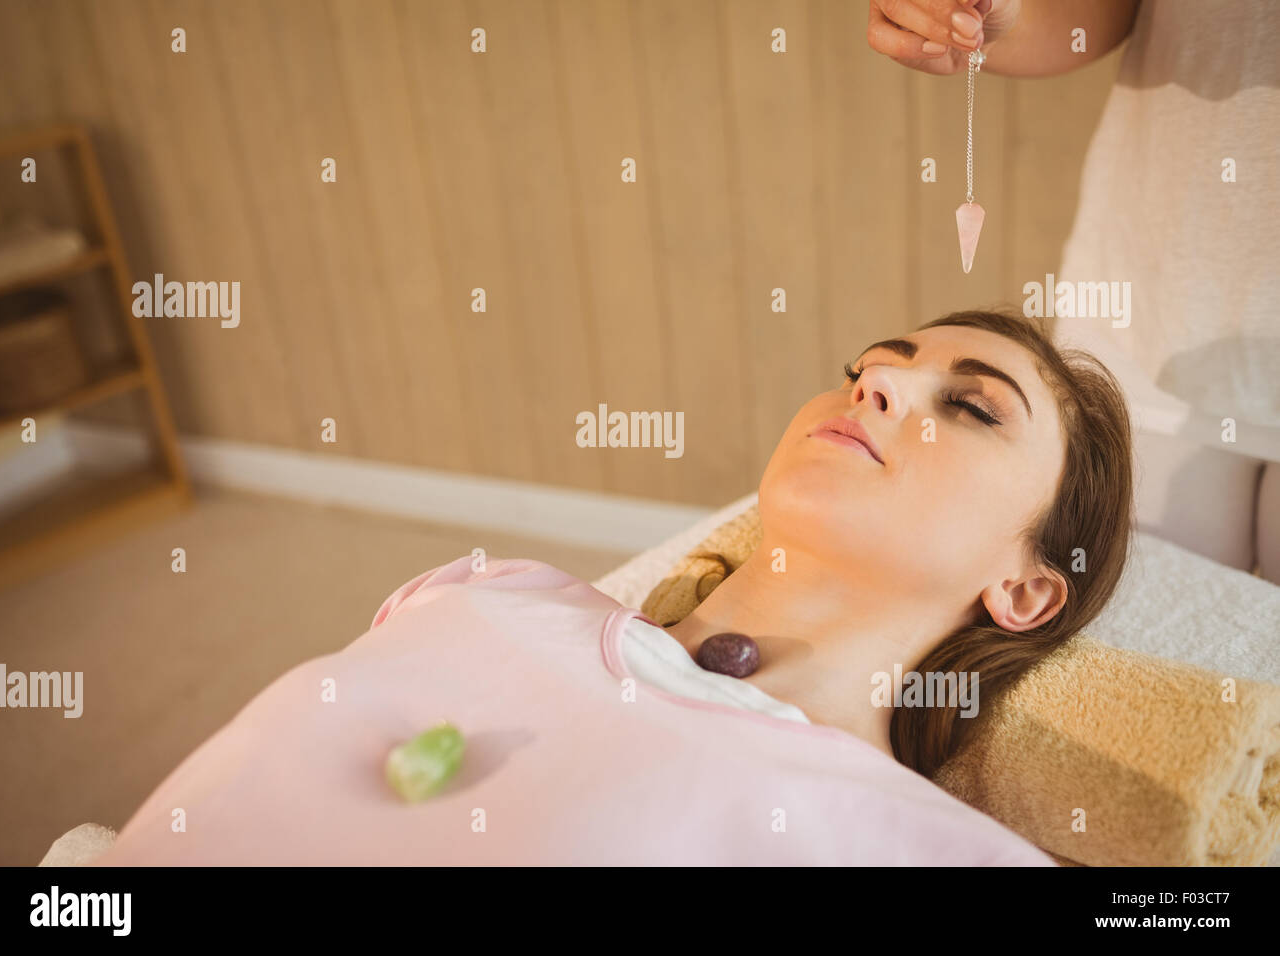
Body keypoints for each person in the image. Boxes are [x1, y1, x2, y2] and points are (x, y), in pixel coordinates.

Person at [91, 309, 1131, 865]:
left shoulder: (911, 843)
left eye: (975, 408)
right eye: (872, 364)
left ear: (1027, 589)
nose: (880, 382)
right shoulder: (488, 589)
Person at [867, 0, 1280, 580]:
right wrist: (996, 21)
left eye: (971, 405)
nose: (872, 388)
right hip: (1146, 303)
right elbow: (1099, 17)